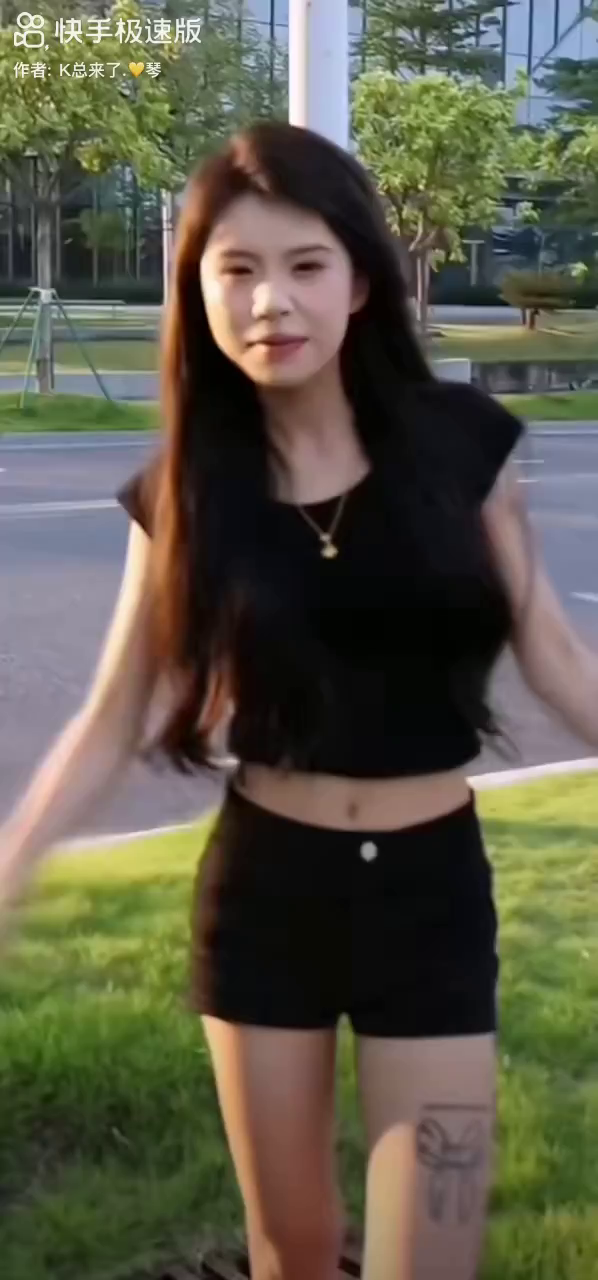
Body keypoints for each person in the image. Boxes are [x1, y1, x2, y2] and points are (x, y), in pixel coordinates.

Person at [1, 123, 597, 1280]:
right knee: (294, 1249)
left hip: (430, 894)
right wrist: (14, 861)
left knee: (432, 1254)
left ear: (359, 282)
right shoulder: (185, 492)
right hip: (266, 895)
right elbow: (116, 710)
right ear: (199, 293)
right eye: (237, 269)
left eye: (305, 264)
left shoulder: (460, 447)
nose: (271, 300)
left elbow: (557, 655)